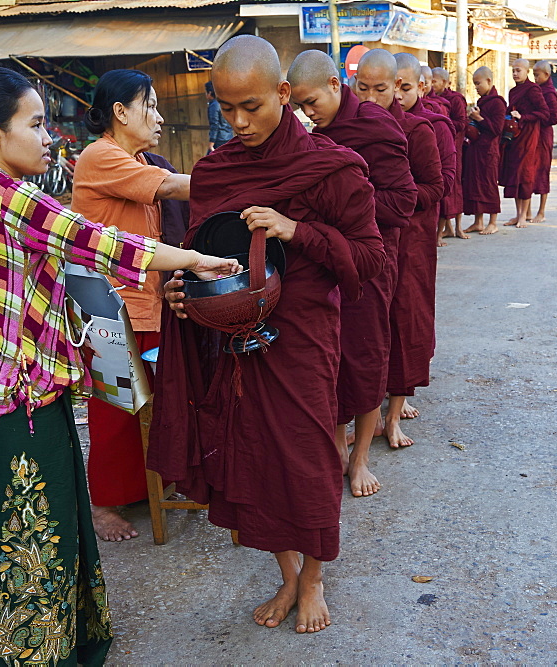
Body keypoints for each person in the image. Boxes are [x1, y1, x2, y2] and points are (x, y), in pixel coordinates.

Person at [0, 66, 237, 665]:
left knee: (52, 525)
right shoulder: (1, 193)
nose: (48, 138)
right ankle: (37, 655)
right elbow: (100, 241)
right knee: (31, 538)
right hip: (15, 402)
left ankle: (72, 641)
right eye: (35, 124)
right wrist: (195, 258)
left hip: (27, 393)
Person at [150, 35, 385, 634]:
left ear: (284, 93)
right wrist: (182, 293)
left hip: (302, 336)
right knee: (247, 460)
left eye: (250, 107)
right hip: (230, 343)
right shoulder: (214, 171)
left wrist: (297, 229)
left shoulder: (330, 167)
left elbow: (372, 258)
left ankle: (312, 578)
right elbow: (201, 258)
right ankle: (284, 574)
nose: (237, 122)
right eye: (225, 109)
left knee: (305, 460)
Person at [287, 49, 417, 497]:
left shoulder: (377, 128)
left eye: (312, 102)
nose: (307, 113)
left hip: (368, 260)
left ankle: (361, 456)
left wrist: (343, 208)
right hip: (323, 261)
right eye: (299, 106)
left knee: (365, 354)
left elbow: (402, 203)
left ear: (333, 85)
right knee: (332, 355)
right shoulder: (313, 134)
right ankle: (340, 444)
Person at [71, 69, 193, 542]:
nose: (159, 117)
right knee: (115, 409)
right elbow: (168, 187)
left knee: (155, 401)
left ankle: (150, 483)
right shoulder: (100, 156)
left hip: (147, 303)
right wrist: (234, 178)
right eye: (150, 106)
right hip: (108, 307)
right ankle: (102, 503)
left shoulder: (137, 158)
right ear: (120, 112)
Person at [355, 48, 443, 448]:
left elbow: (436, 187)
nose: (371, 99)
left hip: (409, 241)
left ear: (398, 88)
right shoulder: (350, 127)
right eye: (363, 88)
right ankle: (365, 417)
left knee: (405, 322)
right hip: (365, 242)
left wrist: (391, 196)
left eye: (382, 89)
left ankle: (392, 418)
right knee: (370, 329)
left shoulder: (419, 130)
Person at [396, 54, 457, 247]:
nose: (398, 96)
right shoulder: (376, 121)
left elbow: (446, 181)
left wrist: (401, 192)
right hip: (380, 223)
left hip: (419, 220)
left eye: (406, 88)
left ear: (421, 88)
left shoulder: (436, 125)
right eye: (392, 88)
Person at [498, 58, 548, 229]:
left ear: (527, 72)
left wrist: (523, 117)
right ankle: (518, 214)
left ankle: (523, 216)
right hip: (514, 136)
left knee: (525, 174)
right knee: (514, 174)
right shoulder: (513, 91)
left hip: (528, 136)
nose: (515, 73)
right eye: (513, 70)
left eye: (519, 70)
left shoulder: (533, 89)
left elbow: (544, 113)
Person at [461, 66, 506, 234]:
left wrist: (478, 118)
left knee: (488, 184)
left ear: (489, 81)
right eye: (474, 84)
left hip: (489, 151)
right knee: (475, 184)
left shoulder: (498, 102)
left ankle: (493, 222)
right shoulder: (482, 102)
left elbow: (497, 129)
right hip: (476, 148)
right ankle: (478, 221)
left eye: (478, 83)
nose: (476, 87)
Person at [429, 67, 466, 240]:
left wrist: (444, 123)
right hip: (441, 147)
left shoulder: (455, 99)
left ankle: (458, 227)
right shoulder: (432, 100)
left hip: (454, 146)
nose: (432, 84)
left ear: (444, 82)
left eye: (434, 81)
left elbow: (461, 123)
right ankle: (448, 228)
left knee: (455, 186)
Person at [529, 61, 557, 224]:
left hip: (543, 135)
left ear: (546, 75)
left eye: (537, 75)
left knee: (542, 172)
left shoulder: (549, 93)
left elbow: (554, 117)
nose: (534, 78)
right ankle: (526, 211)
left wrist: (536, 116)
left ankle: (541, 211)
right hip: (530, 135)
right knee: (527, 171)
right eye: (533, 75)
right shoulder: (534, 90)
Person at [206, 81, 234, 152]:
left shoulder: (214, 105)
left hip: (219, 140)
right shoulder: (225, 102)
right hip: (229, 137)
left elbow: (215, 124)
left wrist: (211, 143)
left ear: (209, 93)